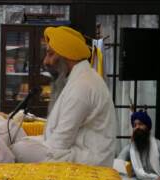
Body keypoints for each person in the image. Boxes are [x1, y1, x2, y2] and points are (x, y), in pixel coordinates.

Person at [11, 26, 117, 167]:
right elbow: (55, 138)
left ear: (66, 56)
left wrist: (28, 146)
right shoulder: (79, 79)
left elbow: (59, 143)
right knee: (18, 141)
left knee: (19, 149)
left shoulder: (82, 86)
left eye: (50, 54)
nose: (46, 61)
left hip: (90, 161)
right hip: (74, 150)